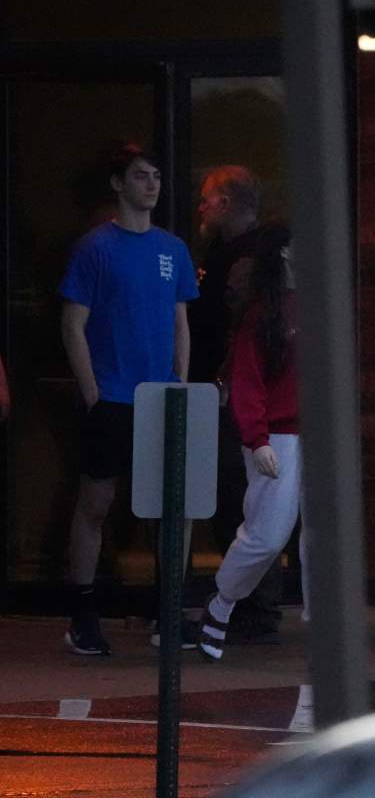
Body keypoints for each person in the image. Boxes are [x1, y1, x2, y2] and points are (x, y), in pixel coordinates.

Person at [60, 142, 199, 655]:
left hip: (164, 395)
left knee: (176, 507)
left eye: (157, 176)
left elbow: (181, 320)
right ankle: (83, 612)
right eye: (141, 176)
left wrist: (181, 381)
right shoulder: (95, 248)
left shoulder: (173, 249)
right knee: (97, 502)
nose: (153, 184)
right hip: (114, 396)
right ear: (118, 183)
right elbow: (73, 325)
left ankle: (168, 611)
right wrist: (92, 391)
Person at [199, 241, 307, 661]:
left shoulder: (319, 305)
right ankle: (222, 603)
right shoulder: (264, 313)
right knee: (267, 535)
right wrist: (257, 438)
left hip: (314, 432)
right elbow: (247, 380)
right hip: (277, 434)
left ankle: (326, 626)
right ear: (284, 252)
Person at [194, 165, 290, 640]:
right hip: (234, 393)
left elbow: (241, 331)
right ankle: (246, 606)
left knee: (245, 502)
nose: (201, 208)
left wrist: (227, 381)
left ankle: (249, 608)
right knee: (244, 501)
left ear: (227, 203)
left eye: (207, 199)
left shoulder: (250, 261)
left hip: (239, 395)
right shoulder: (231, 252)